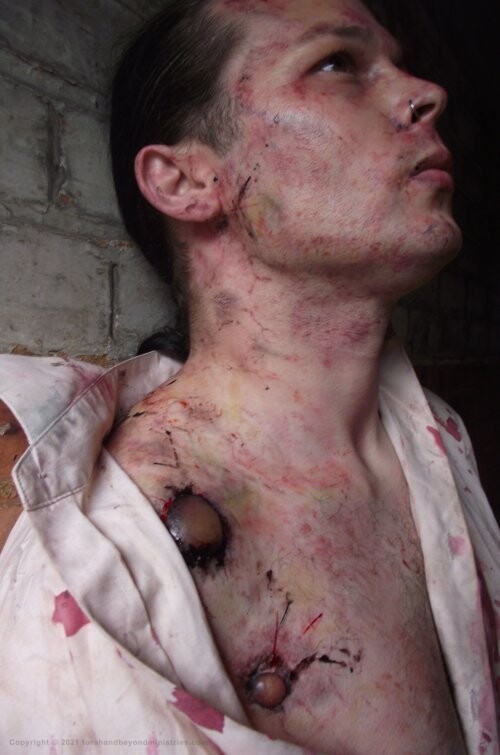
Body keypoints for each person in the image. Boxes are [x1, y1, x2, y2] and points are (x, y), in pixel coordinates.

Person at [0, 1, 498, 753]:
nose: (427, 93)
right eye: (336, 63)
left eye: (397, 64)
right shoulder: (96, 569)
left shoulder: (441, 442)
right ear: (186, 181)